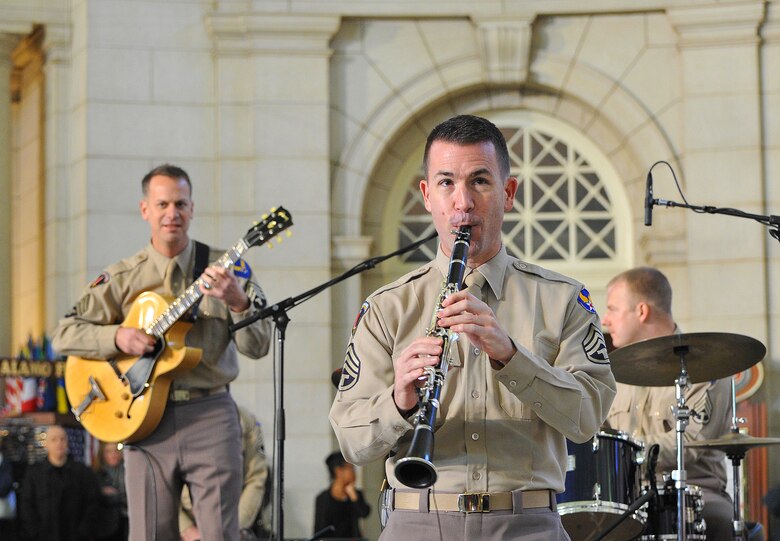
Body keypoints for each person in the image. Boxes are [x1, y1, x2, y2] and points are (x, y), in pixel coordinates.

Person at [329, 114, 616, 540]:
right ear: (427, 196)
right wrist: (400, 400)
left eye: (480, 181)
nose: (462, 202)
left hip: (527, 525)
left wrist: (512, 357)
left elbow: (588, 418)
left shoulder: (564, 298)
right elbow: (352, 443)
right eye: (446, 183)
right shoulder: (387, 307)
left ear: (509, 192)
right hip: (417, 523)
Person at [52, 164, 272, 541]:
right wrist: (119, 338)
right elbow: (63, 335)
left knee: (220, 534)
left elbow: (260, 346)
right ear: (145, 210)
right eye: (163, 204)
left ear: (192, 209)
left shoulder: (227, 269)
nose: (172, 213)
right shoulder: (123, 277)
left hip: (211, 413)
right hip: (142, 420)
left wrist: (238, 302)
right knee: (149, 534)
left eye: (181, 204)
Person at [601, 267, 733, 541]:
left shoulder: (705, 366)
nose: (605, 320)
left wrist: (628, 454)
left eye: (612, 309)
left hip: (694, 494)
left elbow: (693, 444)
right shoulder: (615, 375)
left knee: (715, 517)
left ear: (641, 311)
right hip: (627, 498)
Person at [179, 406, 270, 541]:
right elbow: (162, 483)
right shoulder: (177, 418)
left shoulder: (245, 420)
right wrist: (186, 529)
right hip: (186, 524)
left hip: (233, 520)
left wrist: (235, 527)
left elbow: (257, 477)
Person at [18, 425, 103, 541]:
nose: (59, 443)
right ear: (46, 444)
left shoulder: (82, 472)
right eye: (54, 439)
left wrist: (83, 532)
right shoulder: (34, 474)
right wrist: (36, 532)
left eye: (62, 439)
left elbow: (93, 503)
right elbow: (26, 506)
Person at [313, 451, 370, 539]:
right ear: (338, 471)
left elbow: (364, 513)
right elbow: (319, 529)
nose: (354, 473)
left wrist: (354, 497)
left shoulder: (356, 494)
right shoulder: (323, 498)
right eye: (351, 468)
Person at [94, 441, 128, 541]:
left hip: (126, 523)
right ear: (102, 454)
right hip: (105, 527)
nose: (113, 454)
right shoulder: (97, 475)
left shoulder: (128, 472)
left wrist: (114, 494)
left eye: (116, 451)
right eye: (108, 451)